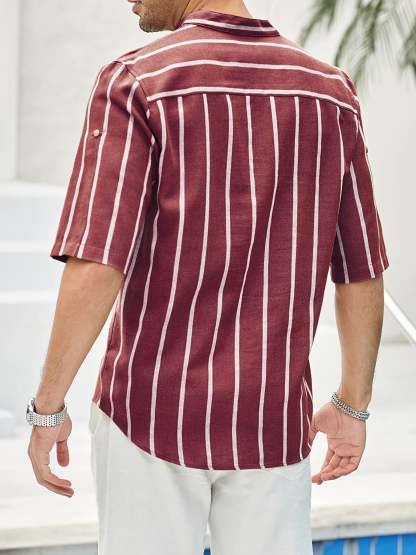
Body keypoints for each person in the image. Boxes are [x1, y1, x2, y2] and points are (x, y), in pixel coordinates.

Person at [26, 0, 389, 553]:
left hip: (150, 415)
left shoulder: (138, 82)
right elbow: (361, 269)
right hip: (271, 423)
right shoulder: (330, 95)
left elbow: (98, 260)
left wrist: (47, 407)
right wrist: (351, 406)